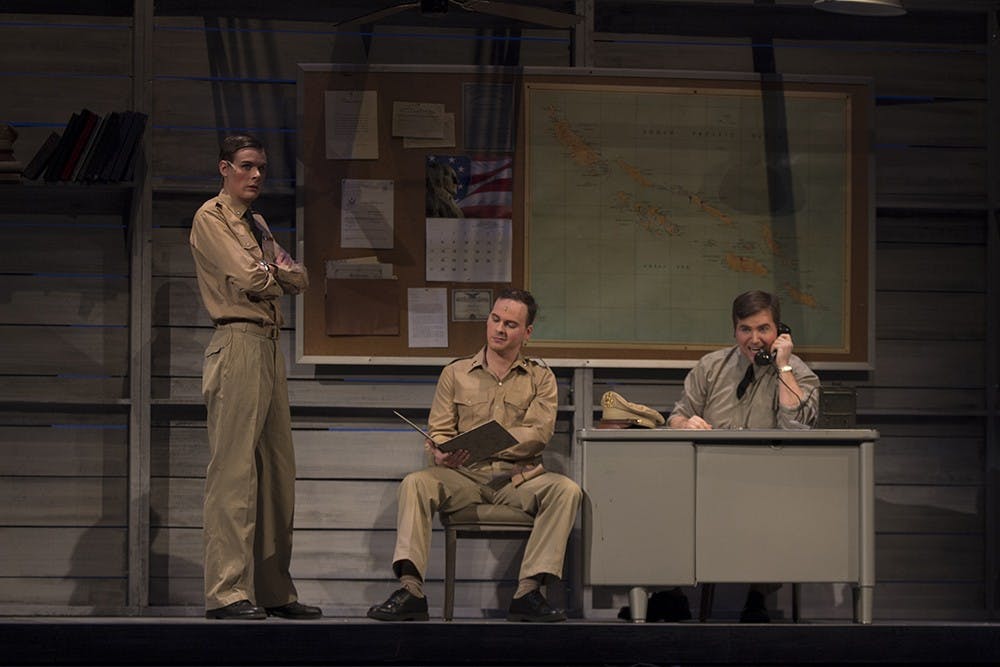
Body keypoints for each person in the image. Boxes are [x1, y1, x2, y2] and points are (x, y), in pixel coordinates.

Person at [367, 288, 582, 623]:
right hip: (463, 475)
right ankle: (411, 590)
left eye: (510, 324)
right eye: (495, 319)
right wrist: (441, 451)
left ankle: (528, 593)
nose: (499, 329)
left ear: (526, 333)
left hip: (517, 479)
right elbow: (439, 427)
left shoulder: (541, 377)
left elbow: (538, 434)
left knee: (567, 490)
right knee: (415, 483)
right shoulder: (455, 373)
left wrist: (489, 444)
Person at [189, 134, 321, 621]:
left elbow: (300, 276)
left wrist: (274, 269)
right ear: (225, 168)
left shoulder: (257, 222)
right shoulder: (212, 217)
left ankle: (272, 590)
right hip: (237, 341)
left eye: (262, 167)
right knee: (234, 474)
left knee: (277, 474)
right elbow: (252, 278)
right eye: (246, 166)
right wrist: (273, 271)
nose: (256, 175)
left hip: (268, 345)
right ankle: (227, 592)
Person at [667, 289, 820, 622]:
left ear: (780, 331)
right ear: (734, 330)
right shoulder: (711, 366)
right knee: (663, 495)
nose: (754, 339)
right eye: (745, 329)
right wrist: (686, 423)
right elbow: (676, 414)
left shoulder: (799, 374)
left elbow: (796, 425)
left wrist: (783, 367)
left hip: (769, 482)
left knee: (779, 507)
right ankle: (670, 592)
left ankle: (757, 598)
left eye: (763, 329)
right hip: (709, 480)